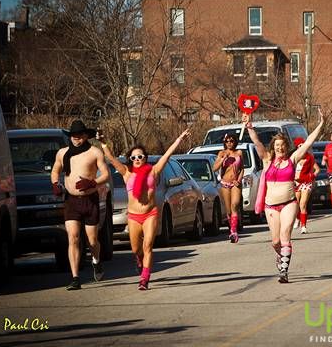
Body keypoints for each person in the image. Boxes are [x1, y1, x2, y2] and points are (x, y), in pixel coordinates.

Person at [99, 128, 191, 290]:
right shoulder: (127, 173)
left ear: (145, 158)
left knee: (147, 245)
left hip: (150, 214)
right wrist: (103, 143)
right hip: (133, 216)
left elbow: (167, 155)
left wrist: (179, 139)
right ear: (130, 159)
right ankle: (139, 260)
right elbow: (111, 159)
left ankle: (145, 278)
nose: (137, 159)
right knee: (136, 249)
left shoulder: (154, 171)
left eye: (140, 156)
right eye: (133, 157)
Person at [245, 110, 323, 283]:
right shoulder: (266, 159)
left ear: (287, 147)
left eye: (282, 145)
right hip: (270, 206)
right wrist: (249, 127)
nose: (279, 148)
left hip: (289, 203)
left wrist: (320, 124)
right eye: (277, 145)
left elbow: (309, 141)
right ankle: (280, 256)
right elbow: (256, 142)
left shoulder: (293, 159)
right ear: (273, 147)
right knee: (275, 241)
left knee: (285, 235)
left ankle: (284, 271)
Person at [51, 120, 110, 290]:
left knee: (92, 240)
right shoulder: (63, 153)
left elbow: (105, 175)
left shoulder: (95, 152)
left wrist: (93, 183)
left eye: (79, 136)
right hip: (71, 201)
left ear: (85, 136)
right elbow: (55, 170)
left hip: (89, 200)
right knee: (73, 237)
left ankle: (96, 261)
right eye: (73, 136)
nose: (76, 139)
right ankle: (75, 277)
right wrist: (56, 183)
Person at [212, 133, 244, 243]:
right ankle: (231, 230)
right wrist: (222, 160)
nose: (229, 143)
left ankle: (234, 231)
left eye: (231, 141)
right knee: (229, 210)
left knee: (235, 205)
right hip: (225, 184)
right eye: (227, 141)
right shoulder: (221, 153)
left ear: (235, 142)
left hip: (235, 184)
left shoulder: (239, 153)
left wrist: (239, 180)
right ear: (224, 143)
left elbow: (242, 169)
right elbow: (214, 168)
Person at [292, 137, 320, 234]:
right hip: (296, 182)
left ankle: (303, 226)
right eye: (299, 146)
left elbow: (317, 170)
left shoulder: (309, 158)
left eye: (303, 146)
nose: (301, 148)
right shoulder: (294, 157)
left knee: (303, 204)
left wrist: (311, 176)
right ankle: (297, 219)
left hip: (306, 182)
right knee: (295, 204)